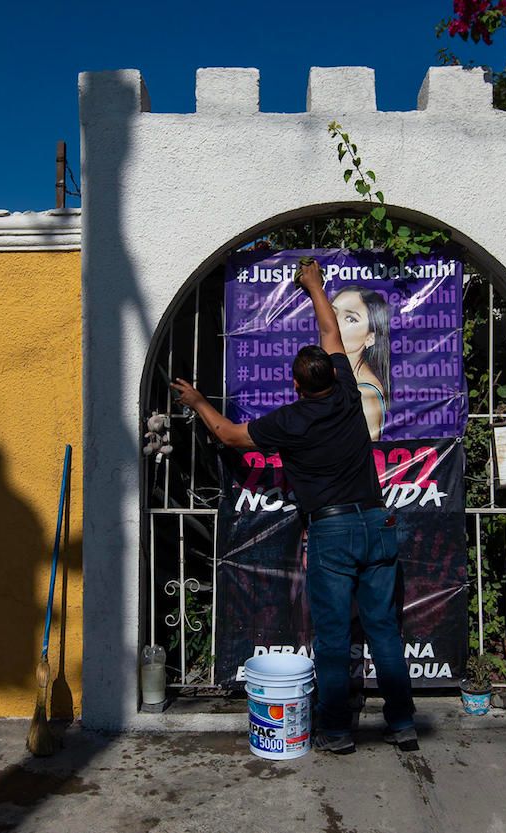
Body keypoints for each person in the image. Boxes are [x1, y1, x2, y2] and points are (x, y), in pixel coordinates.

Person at [171, 260, 416, 754]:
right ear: (335, 372)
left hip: (331, 534)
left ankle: (339, 733)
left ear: (297, 385)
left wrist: (198, 400)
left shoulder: (290, 420)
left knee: (330, 637)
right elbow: (329, 328)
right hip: (376, 521)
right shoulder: (348, 393)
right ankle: (403, 725)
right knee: (384, 631)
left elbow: (228, 435)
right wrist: (315, 286)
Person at [331, 286, 391, 441]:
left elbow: (367, 459)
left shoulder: (364, 396)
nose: (334, 323)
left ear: (370, 338)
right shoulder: (342, 380)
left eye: (351, 319)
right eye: (332, 312)